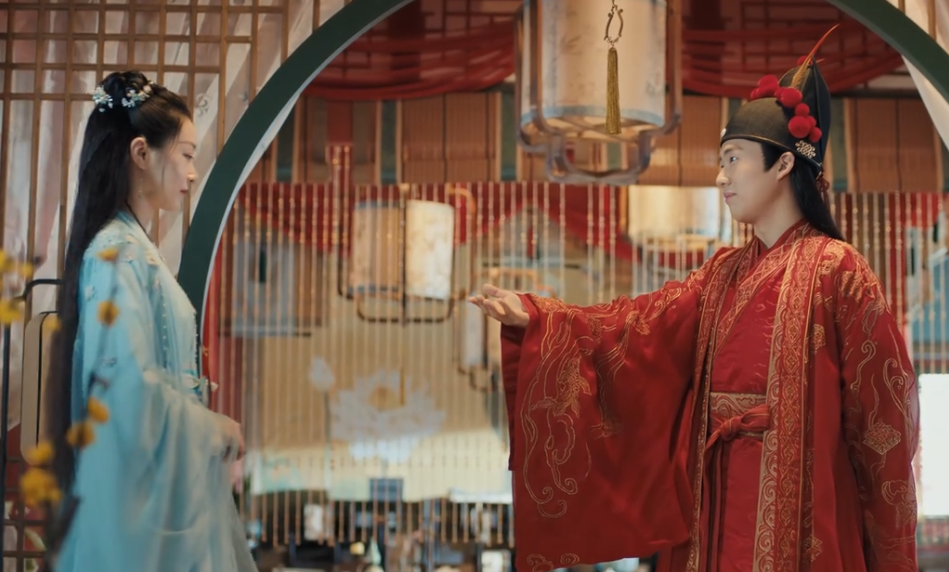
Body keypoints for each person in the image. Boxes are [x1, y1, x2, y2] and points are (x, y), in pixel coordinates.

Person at [471, 40, 920, 572]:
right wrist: (542, 317)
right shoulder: (721, 274)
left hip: (804, 515)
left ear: (783, 164)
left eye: (733, 159)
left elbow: (883, 422)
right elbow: (639, 327)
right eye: (720, 162)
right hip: (713, 499)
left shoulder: (838, 269)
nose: (721, 177)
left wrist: (885, 545)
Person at [44, 71, 256, 572]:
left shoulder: (133, 248)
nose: (193, 172)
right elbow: (125, 389)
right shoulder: (118, 252)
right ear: (141, 153)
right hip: (142, 506)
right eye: (186, 155)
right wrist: (210, 425)